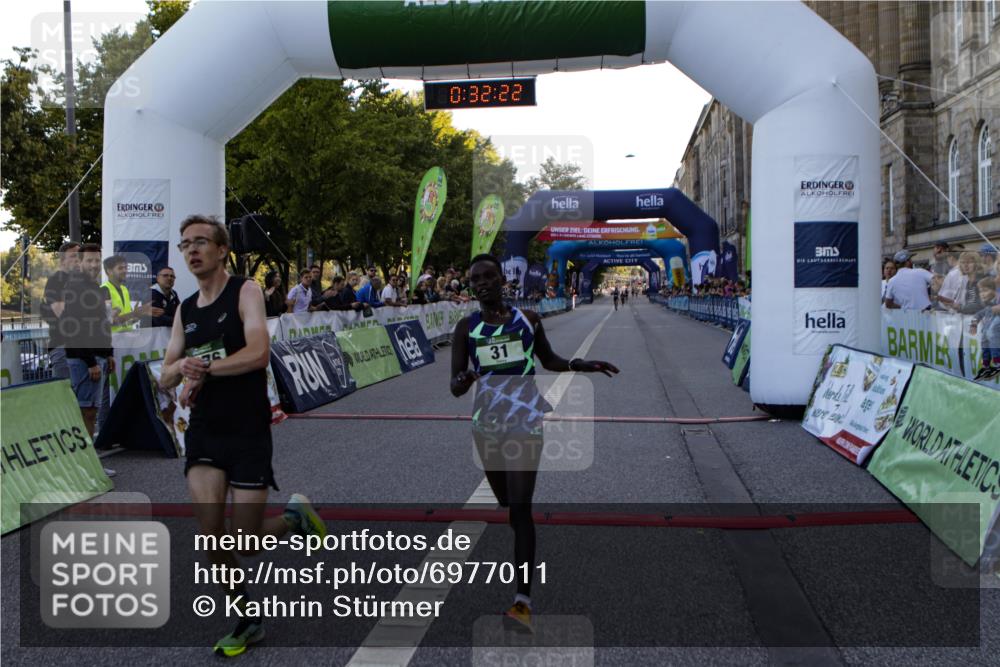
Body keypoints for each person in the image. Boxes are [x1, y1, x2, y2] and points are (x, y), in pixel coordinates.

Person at [159, 215, 325, 657]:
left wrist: (207, 368)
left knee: (247, 542)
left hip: (248, 429)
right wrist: (183, 369)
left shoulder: (245, 291)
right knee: (212, 535)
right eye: (185, 244)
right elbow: (165, 377)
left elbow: (258, 353)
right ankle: (246, 618)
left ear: (221, 250)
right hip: (205, 434)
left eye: (200, 242)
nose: (192, 250)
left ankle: (294, 518)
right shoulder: (185, 309)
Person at [450, 254, 619, 632]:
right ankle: (520, 539)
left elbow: (549, 360)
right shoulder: (466, 328)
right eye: (475, 279)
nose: (482, 284)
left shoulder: (528, 320)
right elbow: (455, 385)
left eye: (489, 276)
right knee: (508, 503)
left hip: (526, 421)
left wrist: (582, 365)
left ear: (502, 280)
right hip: (487, 425)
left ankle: (522, 602)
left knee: (522, 508)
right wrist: (463, 381)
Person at [60, 244, 117, 472]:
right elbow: (72, 328)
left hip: (97, 356)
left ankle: (89, 464)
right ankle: (85, 467)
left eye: (97, 261)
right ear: (80, 262)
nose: (94, 265)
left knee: (90, 411)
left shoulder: (93, 287)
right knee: (85, 412)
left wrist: (109, 353)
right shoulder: (75, 287)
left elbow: (102, 324)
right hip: (84, 359)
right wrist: (91, 361)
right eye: (89, 261)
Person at [42, 241, 81, 379]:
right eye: (73, 256)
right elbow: (62, 314)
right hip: (63, 347)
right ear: (62, 260)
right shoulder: (55, 280)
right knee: (69, 396)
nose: (78, 259)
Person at [101, 255, 142, 332]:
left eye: (125, 268)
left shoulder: (124, 289)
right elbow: (107, 322)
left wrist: (135, 318)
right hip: (112, 340)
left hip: (125, 339)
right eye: (120, 268)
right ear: (109, 271)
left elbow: (124, 323)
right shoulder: (104, 289)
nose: (124, 271)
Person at [970, 277, 1000, 379]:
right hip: (989, 328)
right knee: (984, 338)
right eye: (980, 291)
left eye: (985, 290)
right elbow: (978, 315)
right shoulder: (987, 305)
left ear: (994, 290)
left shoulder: (997, 301)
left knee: (991, 333)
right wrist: (974, 324)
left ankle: (997, 362)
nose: (982, 294)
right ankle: (986, 365)